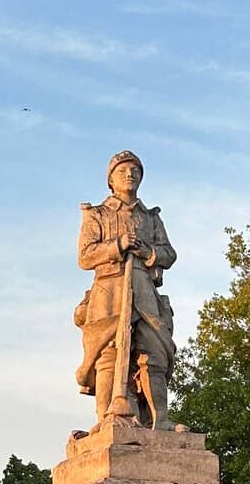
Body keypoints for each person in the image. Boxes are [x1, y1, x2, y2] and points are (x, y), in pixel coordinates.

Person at [75, 150, 177, 430]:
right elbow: (85, 256)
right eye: (122, 170)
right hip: (109, 289)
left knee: (153, 351)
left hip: (144, 289)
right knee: (108, 352)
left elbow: (169, 254)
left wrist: (148, 252)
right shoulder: (97, 214)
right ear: (111, 179)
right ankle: (107, 419)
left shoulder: (151, 218)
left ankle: (160, 420)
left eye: (135, 170)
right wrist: (118, 245)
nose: (130, 174)